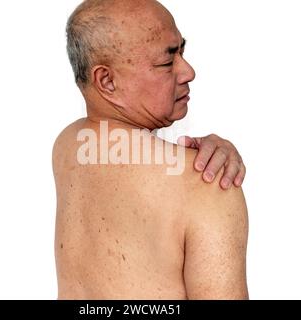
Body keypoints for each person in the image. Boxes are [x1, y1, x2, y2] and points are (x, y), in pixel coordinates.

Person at [52, 0, 248, 299]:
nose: (188, 71)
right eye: (167, 62)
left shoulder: (68, 146)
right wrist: (196, 164)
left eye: (182, 51)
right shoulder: (208, 184)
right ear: (106, 80)